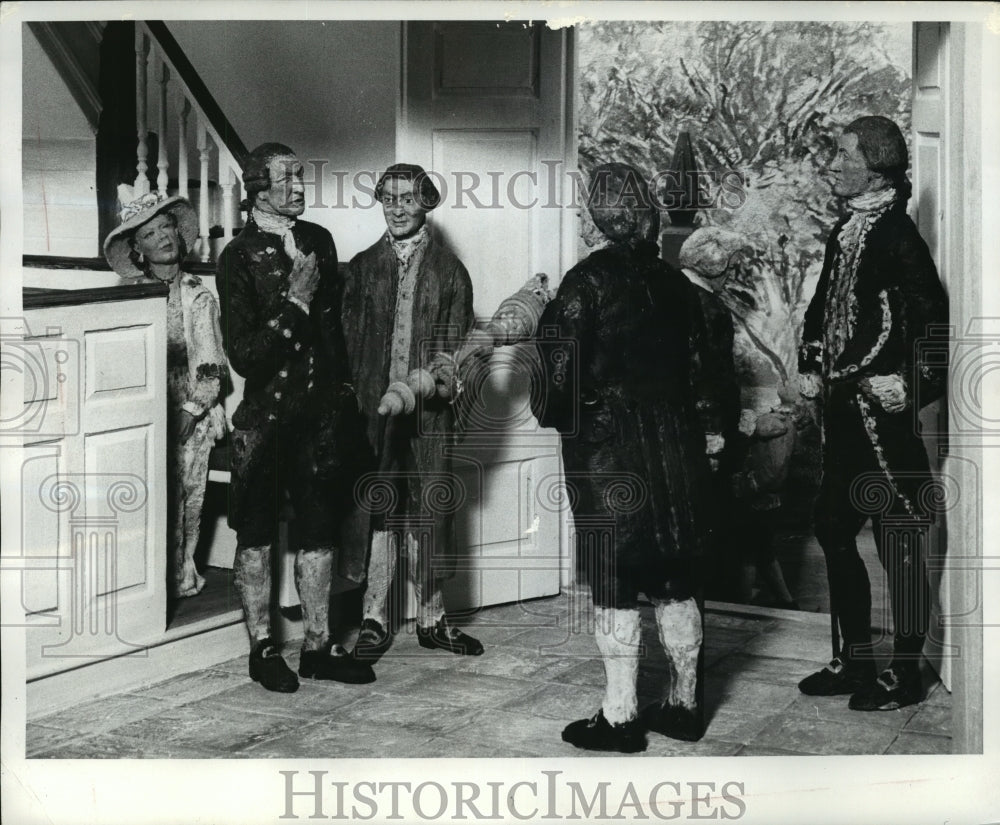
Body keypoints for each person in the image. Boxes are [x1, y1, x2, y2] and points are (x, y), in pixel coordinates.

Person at [532, 163, 714, 752]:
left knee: (613, 580)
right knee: (675, 578)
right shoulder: (677, 284)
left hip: (608, 455)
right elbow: (703, 374)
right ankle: (684, 706)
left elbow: (556, 387)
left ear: (598, 218)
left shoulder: (584, 284)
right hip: (676, 452)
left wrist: (544, 328)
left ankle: (619, 716)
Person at [796, 116, 948, 711]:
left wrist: (910, 385)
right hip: (842, 415)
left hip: (883, 421)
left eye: (844, 155)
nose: (834, 164)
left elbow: (934, 325)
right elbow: (821, 306)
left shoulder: (898, 237)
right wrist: (810, 360)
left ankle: (905, 674)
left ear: (877, 168)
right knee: (833, 527)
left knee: (898, 538)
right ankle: (855, 660)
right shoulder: (846, 229)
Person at [216, 142, 373, 692]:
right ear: (258, 189)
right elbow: (245, 356)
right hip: (266, 420)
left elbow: (334, 335)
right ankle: (262, 648)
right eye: (287, 178)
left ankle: (318, 647)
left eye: (301, 175)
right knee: (256, 531)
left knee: (320, 528)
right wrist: (295, 303)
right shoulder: (237, 257)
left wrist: (343, 398)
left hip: (319, 417)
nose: (300, 186)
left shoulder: (319, 240)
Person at [341, 163, 483, 664]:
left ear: (425, 203)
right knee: (377, 508)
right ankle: (374, 618)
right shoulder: (362, 267)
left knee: (429, 511)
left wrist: (436, 386)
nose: (398, 208)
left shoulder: (449, 271)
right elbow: (348, 343)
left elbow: (458, 347)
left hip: (429, 416)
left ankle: (432, 619)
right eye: (389, 198)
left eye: (408, 198)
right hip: (373, 411)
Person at [103, 186, 227, 600]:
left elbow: (211, 367)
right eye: (150, 233)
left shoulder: (198, 295)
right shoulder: (128, 293)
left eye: (166, 227)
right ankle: (138, 580)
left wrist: (191, 411)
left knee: (186, 493)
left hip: (189, 409)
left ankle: (178, 575)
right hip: (141, 406)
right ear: (137, 248)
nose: (162, 237)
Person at [678, 228, 745, 601]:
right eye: (732, 267)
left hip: (677, 427)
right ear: (714, 266)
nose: (733, 275)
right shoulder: (710, 307)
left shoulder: (671, 293)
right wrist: (715, 434)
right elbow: (708, 374)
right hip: (706, 430)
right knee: (710, 517)